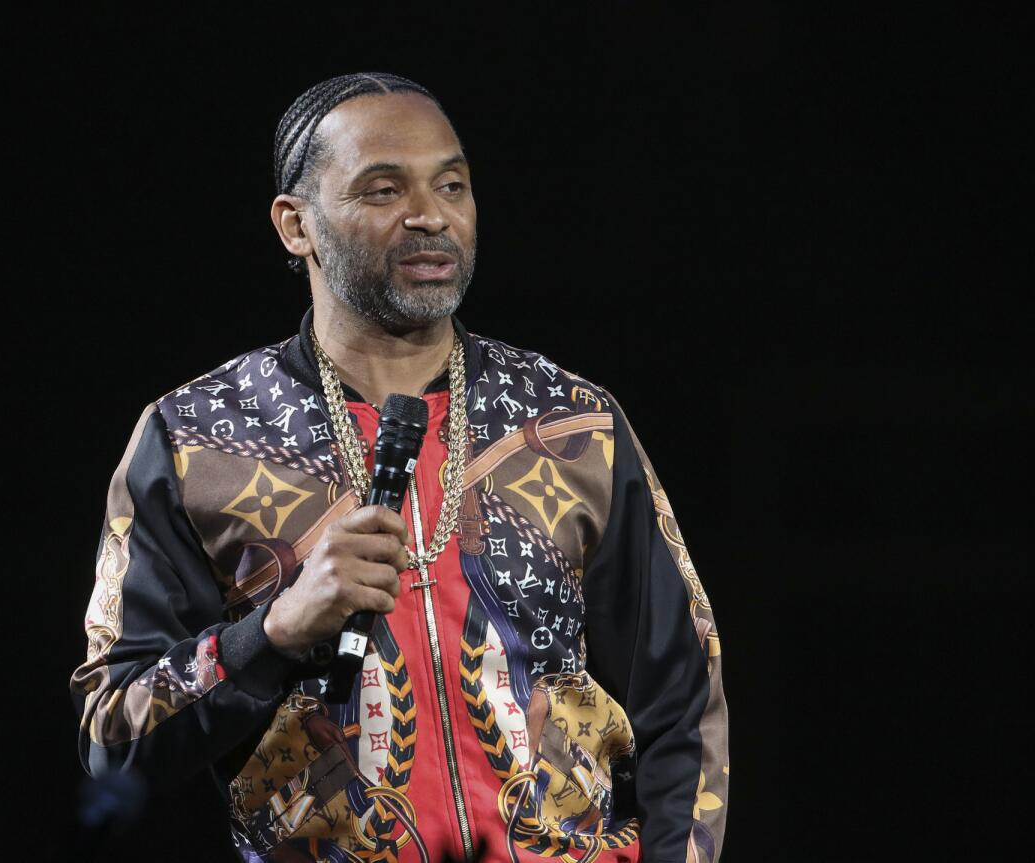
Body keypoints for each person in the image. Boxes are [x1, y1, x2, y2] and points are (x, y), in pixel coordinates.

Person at [70, 72, 729, 863]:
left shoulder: (571, 421)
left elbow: (683, 701)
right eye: (383, 189)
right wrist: (272, 633)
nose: (430, 215)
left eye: (452, 184)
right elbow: (114, 734)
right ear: (296, 225)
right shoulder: (195, 439)